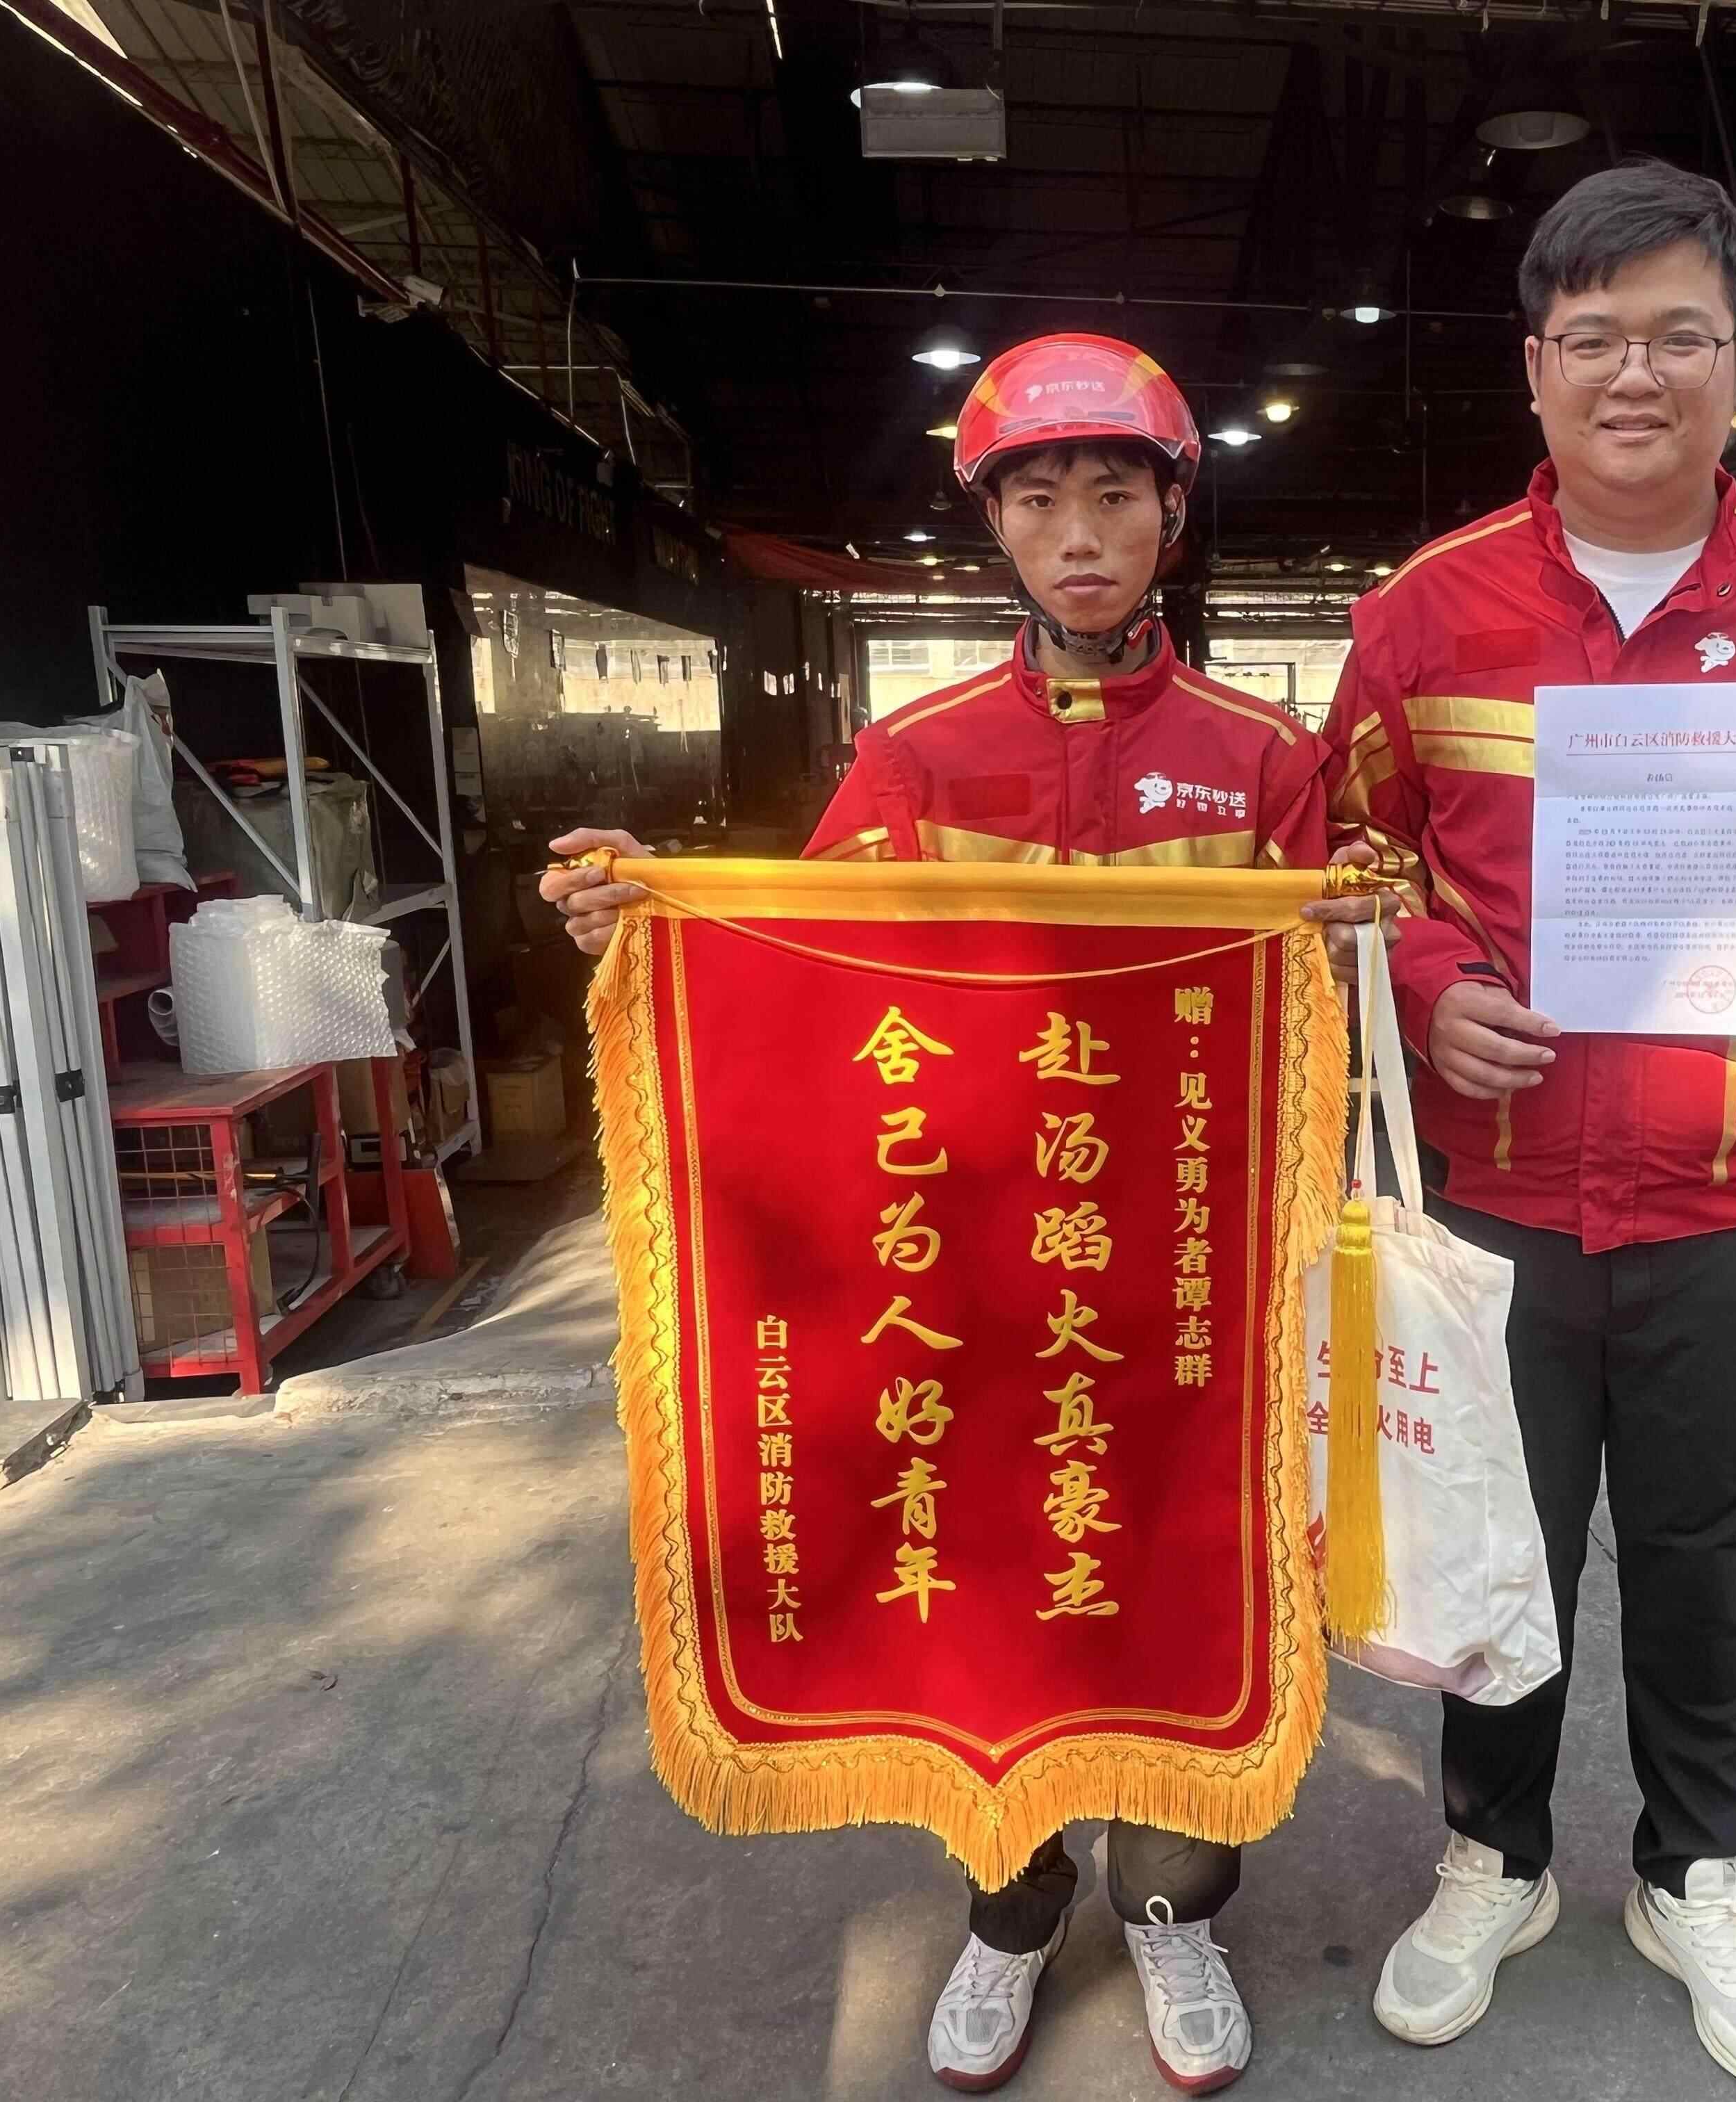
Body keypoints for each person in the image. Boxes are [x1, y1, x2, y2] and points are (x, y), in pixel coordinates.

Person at [541, 332, 1373, 2095]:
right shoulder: (913, 755)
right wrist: (650, 918)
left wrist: (1360, 922)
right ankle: (1010, 1909)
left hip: (1191, 1286)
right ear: (994, 526)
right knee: (991, 1591)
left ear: (1169, 517)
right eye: (1039, 499)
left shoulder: (1259, 759)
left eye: (1115, 496)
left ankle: (1176, 1909)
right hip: (974, 1284)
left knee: (1186, 1583)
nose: (1080, 535)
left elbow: (1326, 1007)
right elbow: (799, 972)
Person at [1326, 163, 1736, 2090]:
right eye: (1596, 337)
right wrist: (1429, 981)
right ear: (1537, 368)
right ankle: (1495, 1859)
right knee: (1499, 1554)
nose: (1639, 373)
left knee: (1709, 1556)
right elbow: (1349, 851)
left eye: (1680, 337)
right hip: (1502, 1198)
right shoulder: (1425, 614)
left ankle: (1695, 1875)